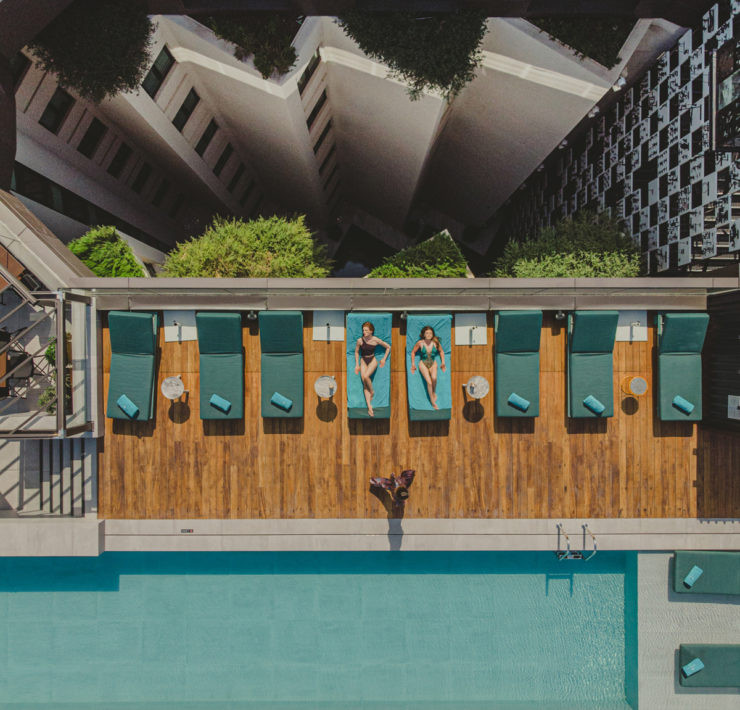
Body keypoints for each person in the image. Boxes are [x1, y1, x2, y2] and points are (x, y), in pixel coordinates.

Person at [354, 321, 391, 417]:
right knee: (364, 382)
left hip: (372, 360)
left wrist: (384, 359)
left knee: (366, 376)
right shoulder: (360, 341)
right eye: (363, 330)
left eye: (366, 330)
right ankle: (369, 407)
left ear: (371, 331)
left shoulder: (375, 340)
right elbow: (356, 352)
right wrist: (357, 365)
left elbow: (388, 347)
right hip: (363, 360)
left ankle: (372, 391)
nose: (364, 332)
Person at [410, 325, 446, 409]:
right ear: (423, 334)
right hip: (423, 363)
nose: (429, 334)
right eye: (427, 333)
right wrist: (413, 364)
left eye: (430, 333)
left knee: (434, 378)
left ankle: (433, 392)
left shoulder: (436, 343)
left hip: (433, 363)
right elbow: (413, 352)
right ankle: (433, 402)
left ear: (433, 334)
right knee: (429, 382)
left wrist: (443, 362)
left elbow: (441, 351)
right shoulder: (420, 343)